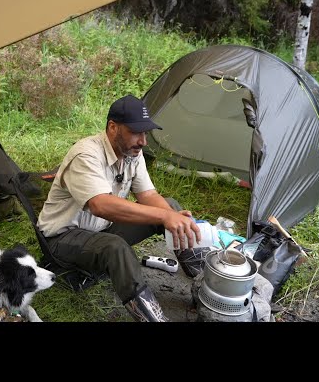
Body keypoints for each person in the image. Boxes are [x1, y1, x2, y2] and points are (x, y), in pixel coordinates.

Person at [37, 94, 201, 322]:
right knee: (116, 247)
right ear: (113, 127)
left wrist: (170, 215)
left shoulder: (133, 152)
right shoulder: (86, 154)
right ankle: (152, 318)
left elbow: (148, 195)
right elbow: (100, 205)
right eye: (136, 132)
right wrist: (164, 216)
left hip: (101, 229)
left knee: (170, 207)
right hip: (61, 238)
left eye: (145, 133)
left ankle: (202, 281)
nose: (143, 140)